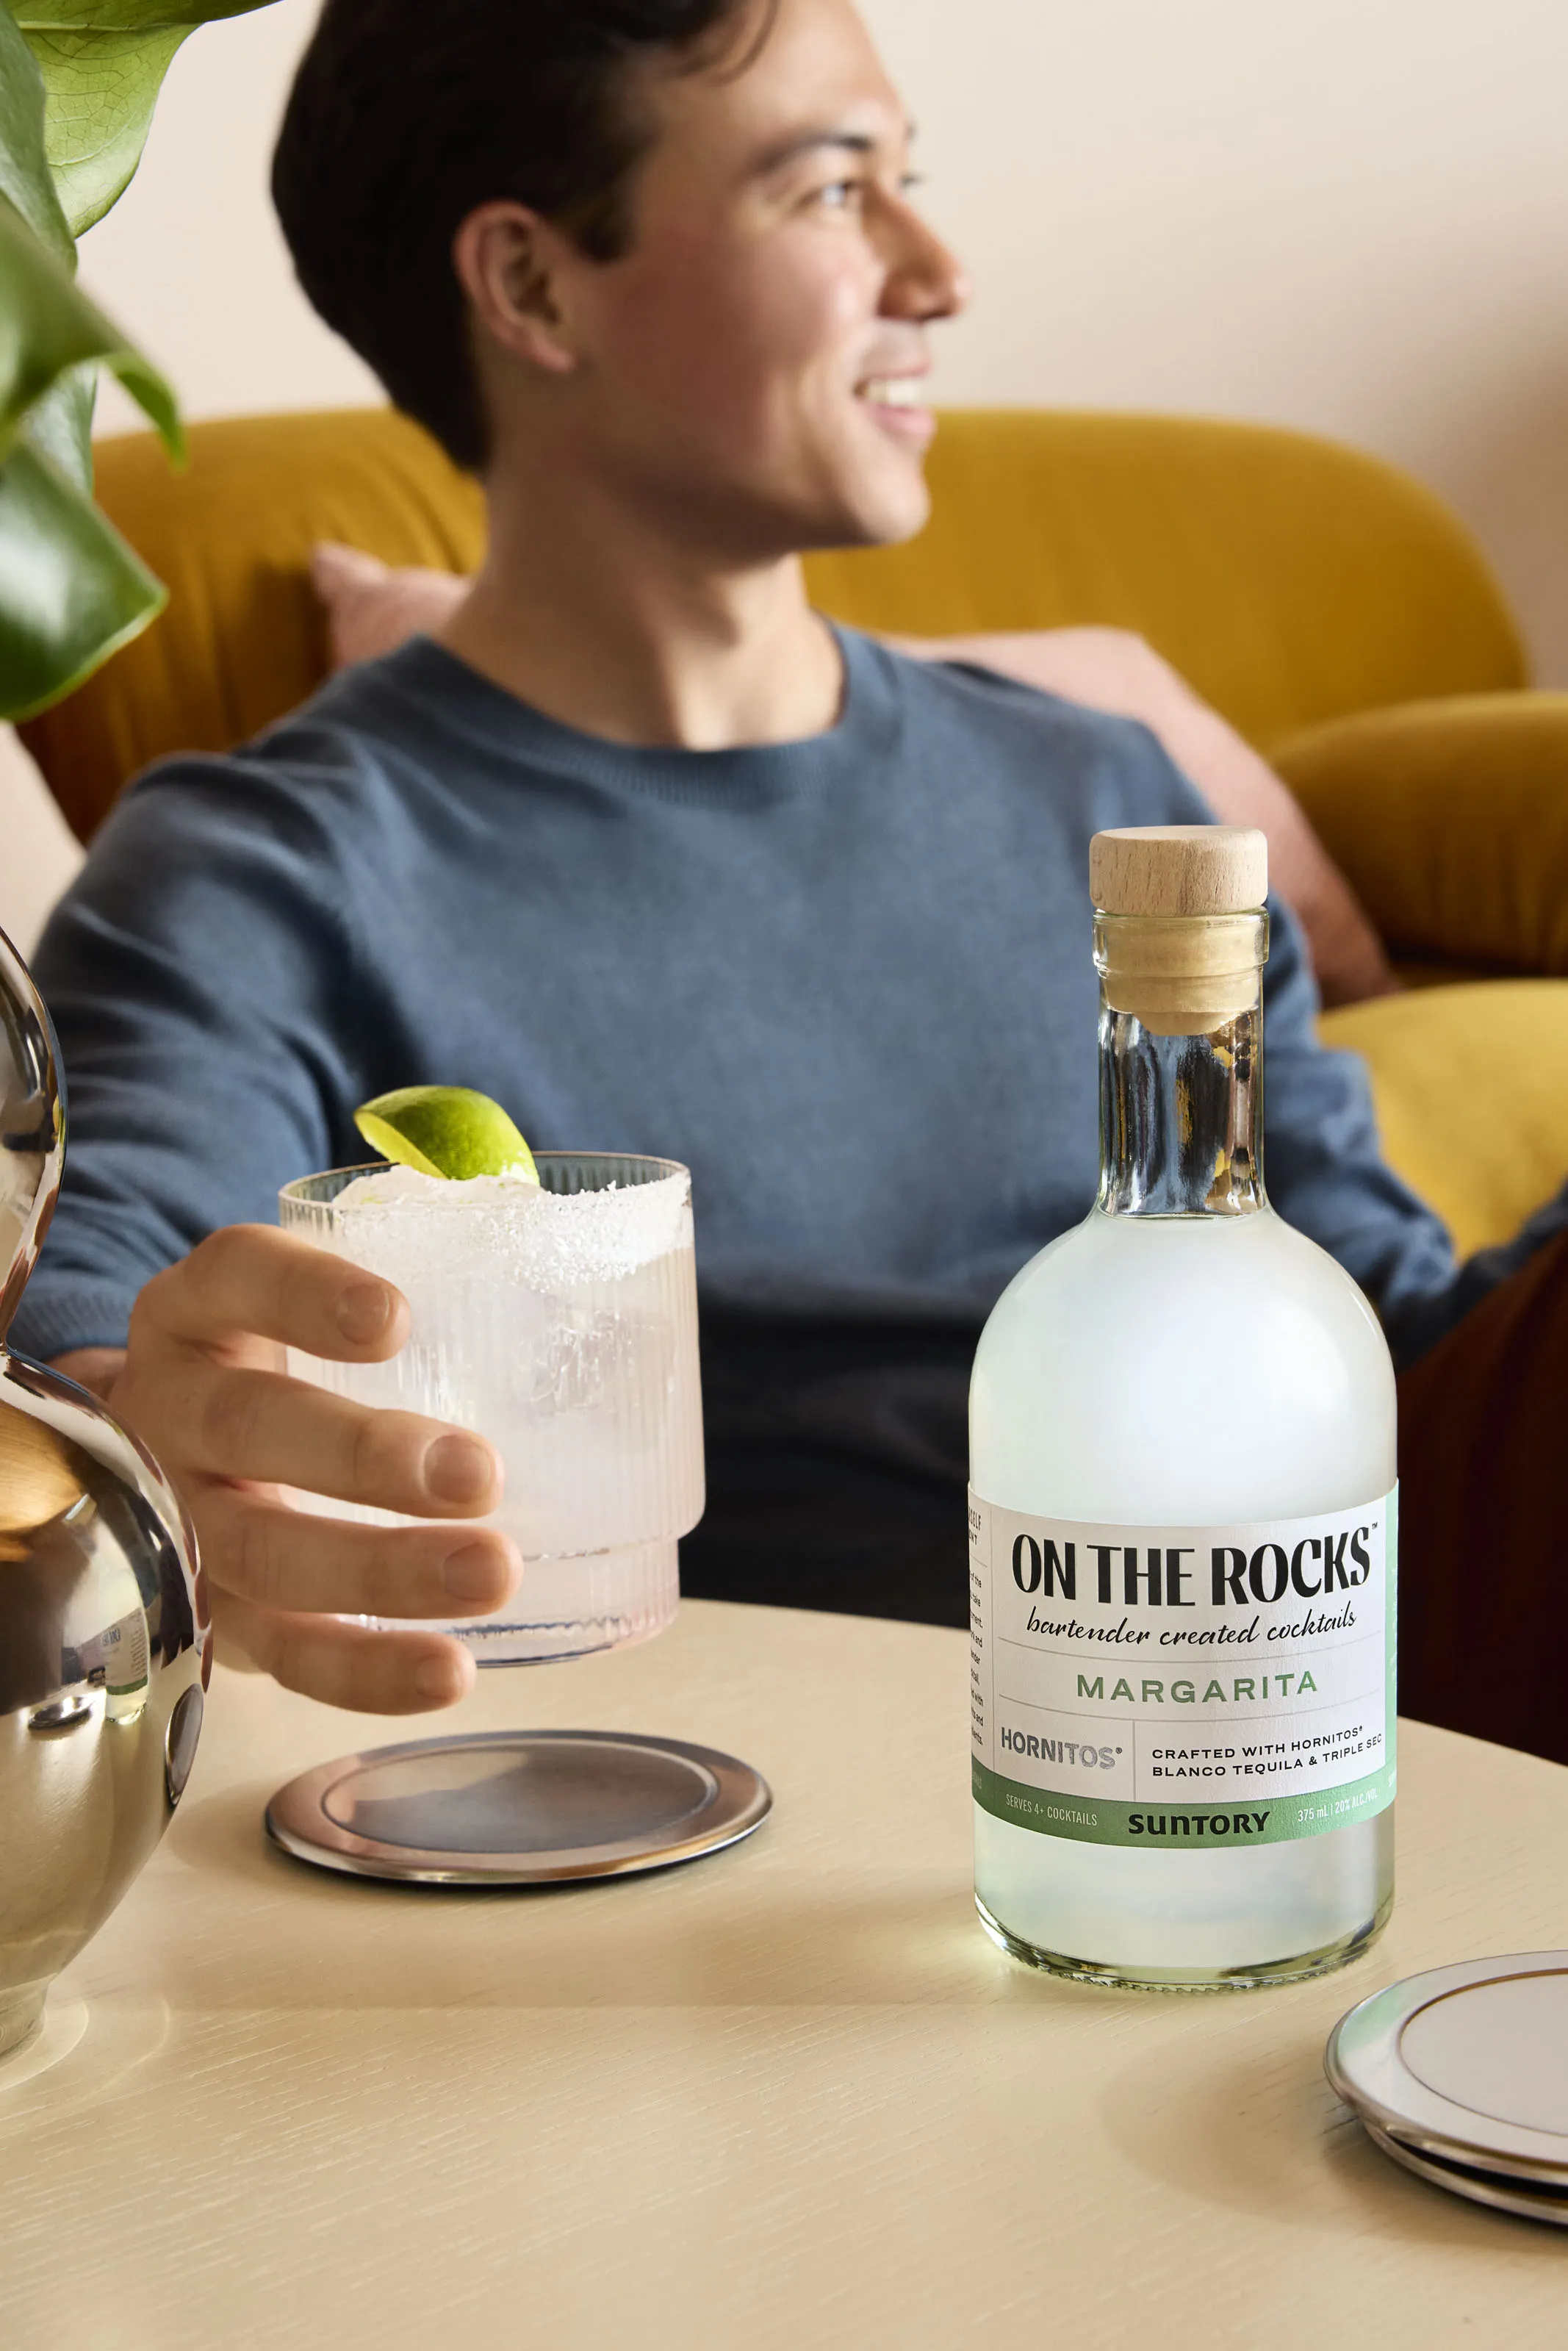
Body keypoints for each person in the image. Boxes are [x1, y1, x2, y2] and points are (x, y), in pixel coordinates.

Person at [15, 0, 1567, 1757]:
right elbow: (95, 1334)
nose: (938, 269)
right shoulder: (271, 864)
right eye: (833, 193)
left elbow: (1378, 1323)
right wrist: (152, 1436)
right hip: (794, 1738)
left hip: (1298, 1638)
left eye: (912, 181)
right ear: (530, 288)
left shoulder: (1102, 795)